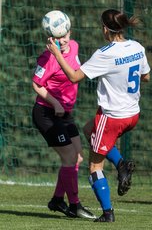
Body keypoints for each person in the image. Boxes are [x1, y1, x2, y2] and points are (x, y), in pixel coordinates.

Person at [47, 8, 151, 222]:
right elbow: (146, 76)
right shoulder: (137, 47)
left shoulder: (104, 54)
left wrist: (57, 54)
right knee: (88, 129)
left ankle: (107, 213)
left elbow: (75, 77)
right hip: (133, 114)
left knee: (95, 166)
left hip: (112, 117)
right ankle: (121, 164)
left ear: (105, 29)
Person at [32, 13, 96, 220]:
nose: (65, 40)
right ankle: (75, 205)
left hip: (65, 114)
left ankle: (58, 199)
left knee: (77, 156)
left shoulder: (75, 46)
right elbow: (36, 84)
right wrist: (55, 102)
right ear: (51, 38)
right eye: (59, 37)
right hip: (47, 113)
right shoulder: (48, 57)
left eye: (66, 34)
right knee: (69, 156)